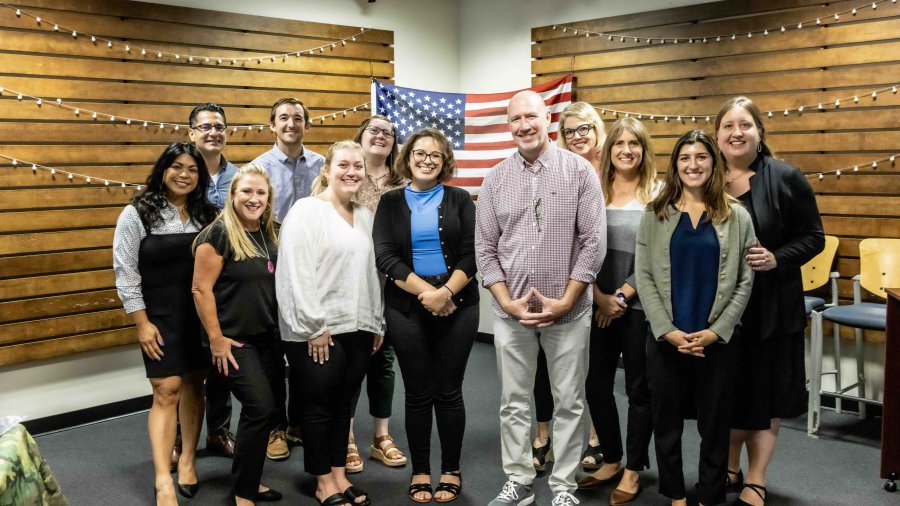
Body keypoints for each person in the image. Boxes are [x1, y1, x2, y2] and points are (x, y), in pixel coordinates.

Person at [476, 90, 606, 506]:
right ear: (509, 124)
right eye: (515, 119)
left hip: (568, 313)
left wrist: (566, 300)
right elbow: (485, 249)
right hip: (510, 312)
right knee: (513, 402)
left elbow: (593, 244)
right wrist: (507, 301)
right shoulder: (495, 178)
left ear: (546, 117)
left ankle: (564, 487)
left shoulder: (580, 172)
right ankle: (519, 480)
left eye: (530, 116)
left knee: (569, 401)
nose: (524, 126)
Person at [635, 130, 755, 506]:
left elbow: (744, 281)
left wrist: (717, 332)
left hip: (715, 342)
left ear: (713, 162)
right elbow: (645, 276)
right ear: (675, 166)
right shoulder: (655, 215)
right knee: (666, 423)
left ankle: (709, 494)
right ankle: (675, 494)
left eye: (701, 156)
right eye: (684, 158)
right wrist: (666, 330)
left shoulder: (737, 216)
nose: (693, 164)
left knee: (715, 424)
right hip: (667, 339)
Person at [716, 96, 825, 506]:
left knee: (765, 395)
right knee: (727, 392)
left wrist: (778, 258)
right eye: (728, 125)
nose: (736, 132)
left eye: (745, 125)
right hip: (721, 310)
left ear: (760, 133)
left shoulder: (784, 177)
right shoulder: (705, 178)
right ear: (717, 135)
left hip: (771, 308)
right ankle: (728, 467)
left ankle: (756, 478)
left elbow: (813, 236)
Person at [372, 128, 479, 503]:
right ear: (408, 157)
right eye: (420, 153)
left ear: (444, 159)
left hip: (459, 305)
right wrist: (429, 294)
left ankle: (451, 469)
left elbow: (472, 252)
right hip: (406, 307)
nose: (427, 159)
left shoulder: (461, 198)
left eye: (435, 154)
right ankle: (420, 470)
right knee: (417, 393)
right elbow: (385, 256)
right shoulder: (389, 202)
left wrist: (447, 292)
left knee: (449, 392)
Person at [275, 140, 384, 506]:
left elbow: (371, 274)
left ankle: (339, 475)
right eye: (343, 165)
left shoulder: (365, 215)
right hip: (317, 330)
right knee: (319, 406)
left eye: (358, 166)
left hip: (359, 326)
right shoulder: (307, 211)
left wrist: (376, 322)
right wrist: (313, 326)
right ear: (327, 170)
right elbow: (295, 273)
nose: (351, 172)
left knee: (343, 405)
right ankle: (323, 482)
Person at [112, 142, 218, 506]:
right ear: (163, 169)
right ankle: (162, 479)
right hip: (158, 316)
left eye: (192, 169)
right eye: (177, 166)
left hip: (198, 315)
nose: (184, 174)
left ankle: (188, 459)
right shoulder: (137, 213)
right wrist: (141, 323)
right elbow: (125, 272)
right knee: (166, 389)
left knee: (193, 385)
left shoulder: (209, 214)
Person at [576, 117, 660, 506]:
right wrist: (598, 297)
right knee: (595, 385)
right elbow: (577, 246)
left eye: (634, 144)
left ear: (644, 150)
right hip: (595, 303)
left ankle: (633, 469)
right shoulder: (592, 189)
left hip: (639, 307)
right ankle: (611, 458)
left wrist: (621, 297)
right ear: (607, 151)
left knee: (639, 390)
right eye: (619, 143)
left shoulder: (657, 194)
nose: (626, 149)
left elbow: (657, 256)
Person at [191, 165, 283, 505]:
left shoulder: (272, 231)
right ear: (232, 195)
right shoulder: (216, 235)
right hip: (231, 341)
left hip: (267, 338)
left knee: (266, 411)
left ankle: (249, 480)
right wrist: (215, 339)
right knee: (259, 407)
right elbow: (201, 290)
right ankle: (243, 493)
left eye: (261, 193)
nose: (254, 198)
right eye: (246, 191)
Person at [530, 101, 608, 473]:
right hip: (561, 286)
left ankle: (595, 437)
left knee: (593, 370)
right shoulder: (555, 171)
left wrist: (606, 294)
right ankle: (543, 436)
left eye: (585, 129)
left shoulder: (614, 171)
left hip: (606, 288)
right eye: (571, 130)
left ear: (597, 131)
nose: (578, 136)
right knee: (546, 366)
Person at [251, 97, 326, 460]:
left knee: (304, 347)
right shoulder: (258, 168)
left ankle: (299, 422)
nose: (291, 123)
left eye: (298, 118)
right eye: (283, 118)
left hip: (314, 269)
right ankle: (275, 427)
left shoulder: (322, 165)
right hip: (272, 267)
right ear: (272, 125)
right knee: (272, 352)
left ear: (306, 125)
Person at [346, 115, 408, 474]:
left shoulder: (403, 181)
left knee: (383, 361)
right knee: (353, 360)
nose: (381, 136)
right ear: (362, 136)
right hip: (351, 281)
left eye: (388, 132)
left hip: (392, 283)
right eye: (374, 130)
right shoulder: (347, 174)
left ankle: (381, 437)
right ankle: (348, 436)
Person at [185, 103, 240, 466]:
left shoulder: (241, 176)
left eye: (219, 126)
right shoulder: (181, 172)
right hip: (186, 282)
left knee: (222, 359)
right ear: (191, 133)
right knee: (188, 365)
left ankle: (219, 431)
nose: (212, 132)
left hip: (228, 285)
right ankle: (180, 439)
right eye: (204, 127)